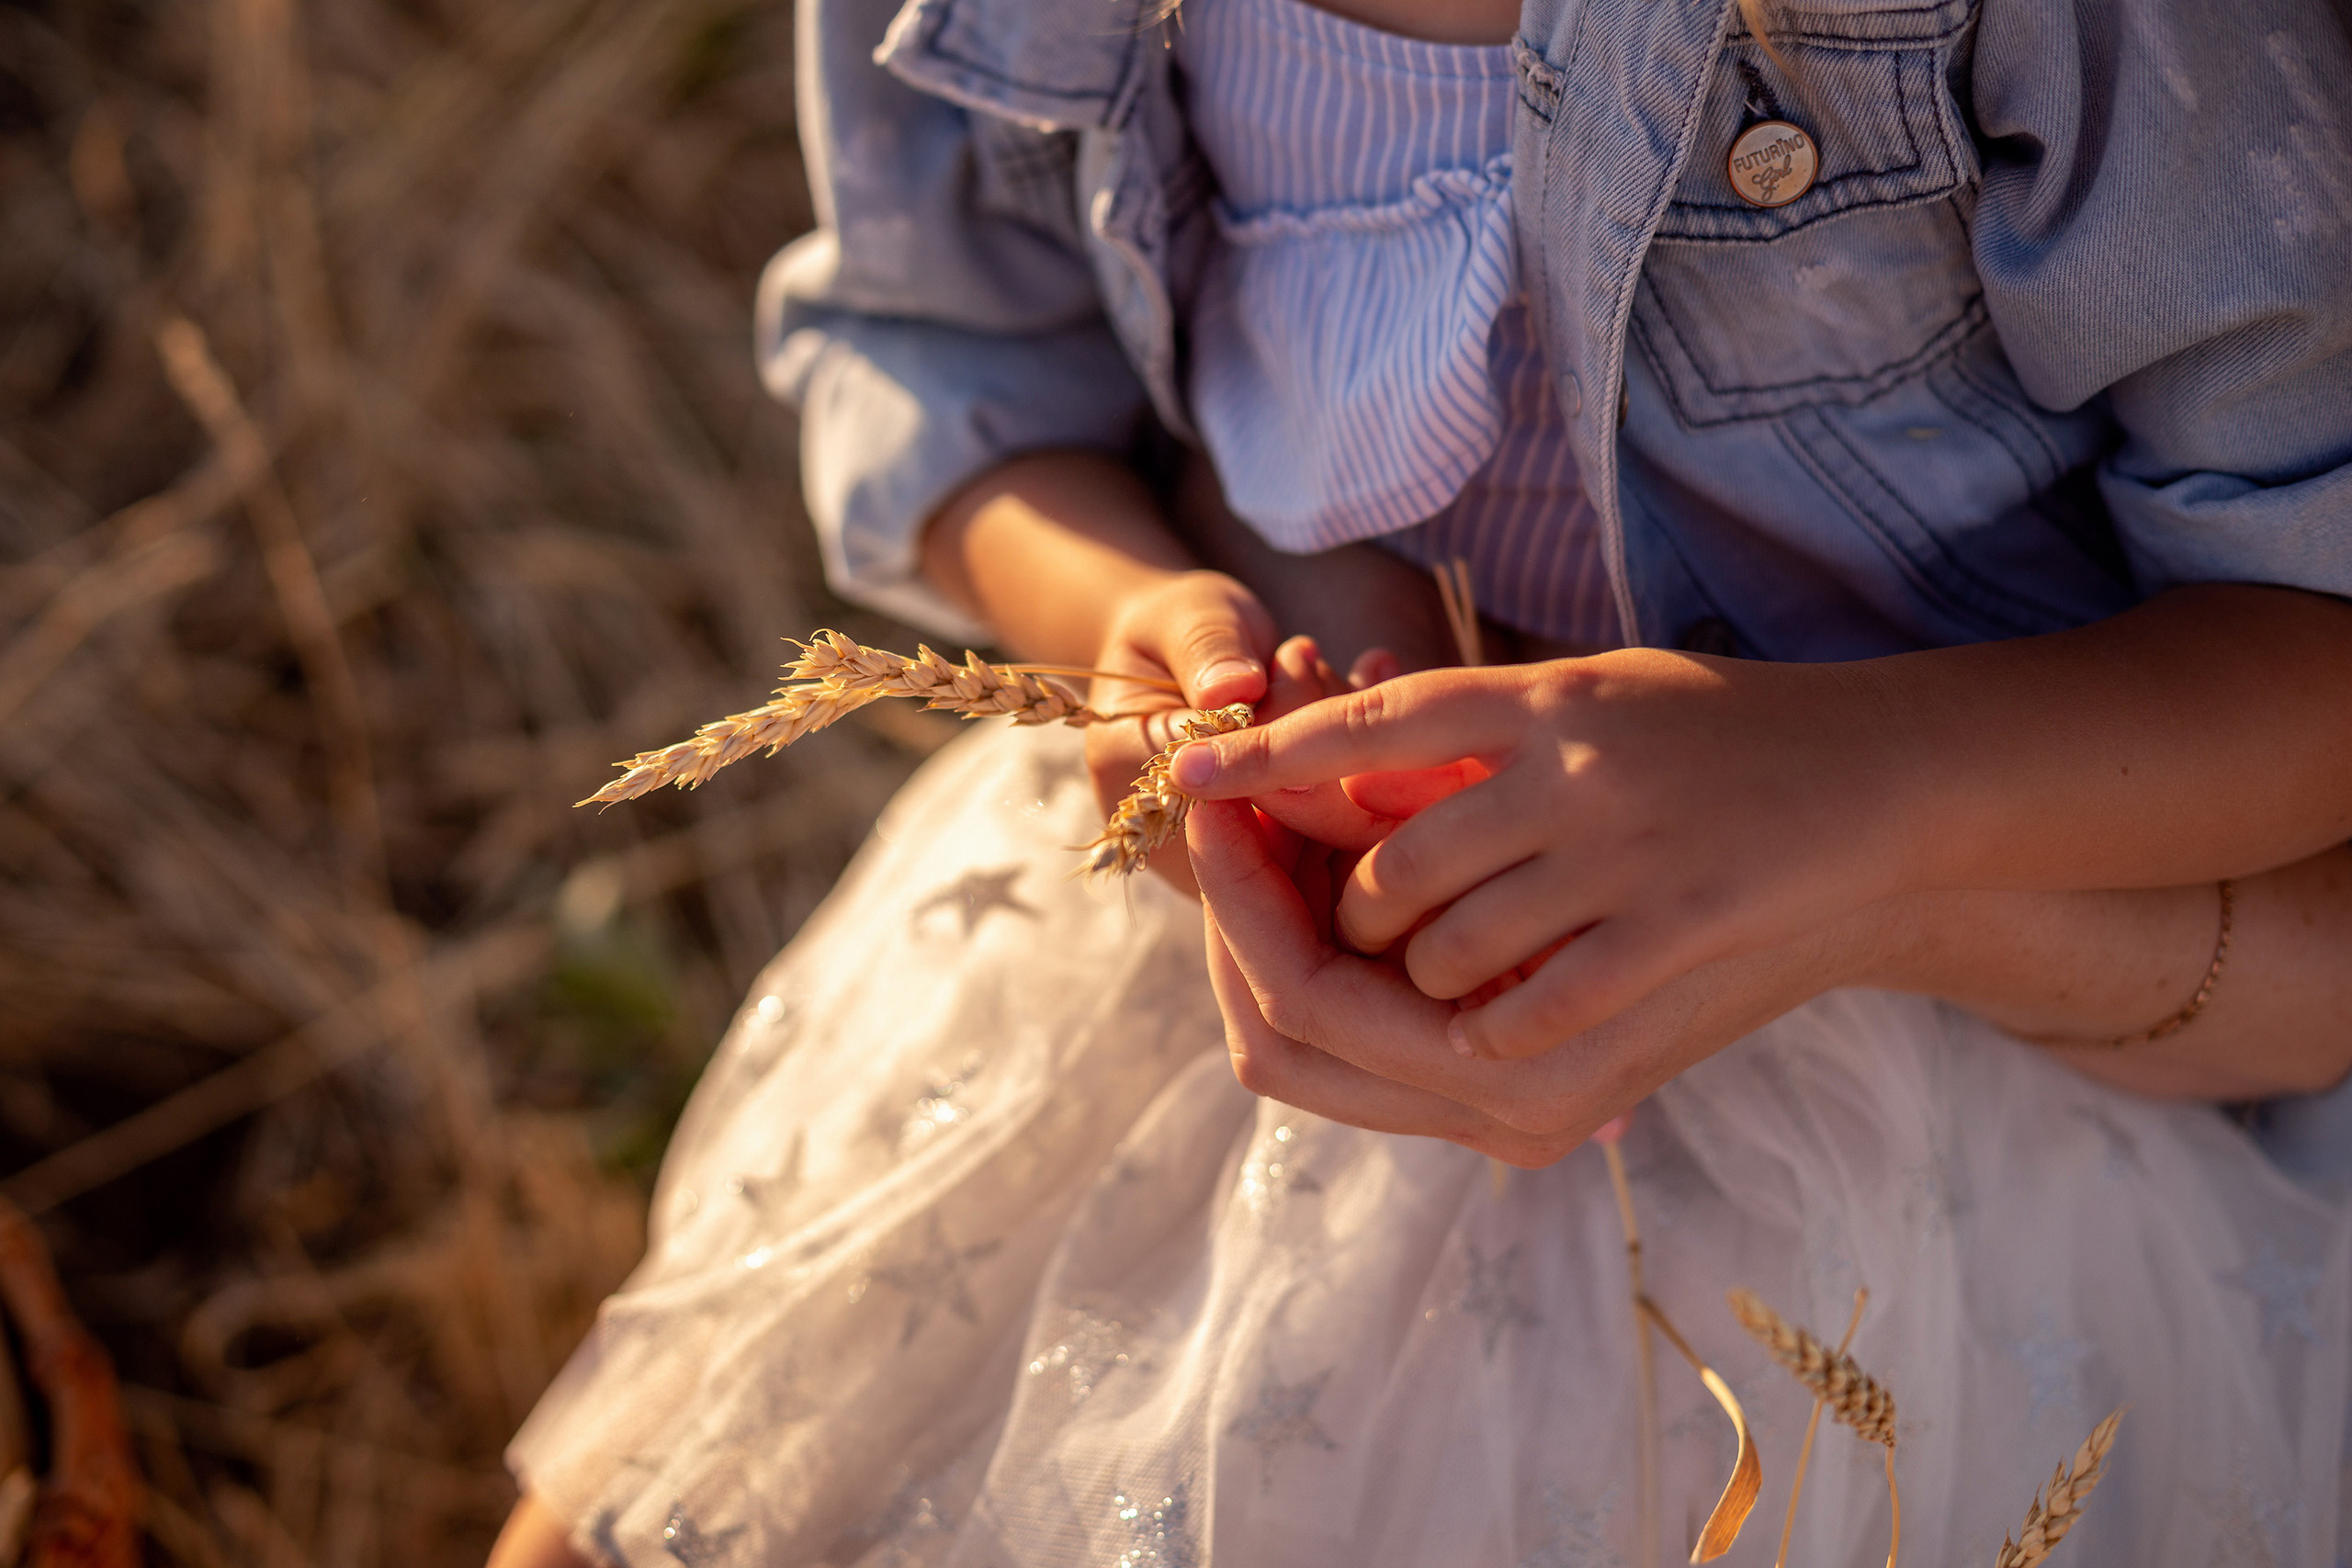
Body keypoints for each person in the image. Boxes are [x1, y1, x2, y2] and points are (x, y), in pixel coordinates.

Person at [490, 0, 2352, 1560]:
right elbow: (943, 356)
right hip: (1235, 965)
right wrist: (1142, 627)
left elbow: (2309, 601)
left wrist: (1838, 777)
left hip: (1960, 1046)